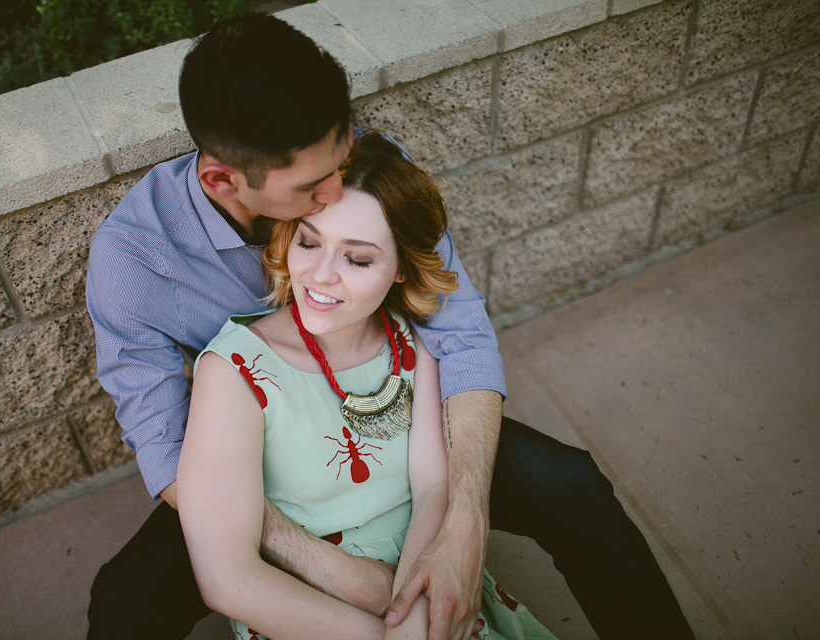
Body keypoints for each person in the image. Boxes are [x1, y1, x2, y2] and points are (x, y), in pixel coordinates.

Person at [85, 13, 695, 640]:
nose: (335, 188)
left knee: (568, 483)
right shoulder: (133, 262)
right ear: (224, 181)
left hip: (396, 417)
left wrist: (464, 521)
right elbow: (164, 447)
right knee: (124, 600)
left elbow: (457, 332)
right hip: (255, 461)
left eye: (341, 156)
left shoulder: (362, 164)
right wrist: (324, 561)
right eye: (311, 189)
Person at [176, 131, 558, 640]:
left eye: (357, 259)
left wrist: (412, 617)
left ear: (401, 269)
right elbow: (228, 578)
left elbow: (434, 487)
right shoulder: (233, 370)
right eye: (309, 242)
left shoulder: (412, 344)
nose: (321, 275)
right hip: (311, 617)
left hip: (425, 588)